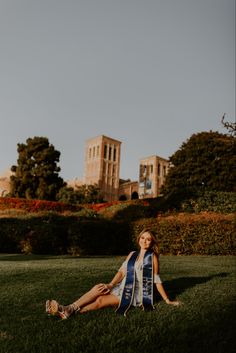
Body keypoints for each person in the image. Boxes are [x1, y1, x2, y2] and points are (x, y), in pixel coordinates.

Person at [46, 229, 180, 319]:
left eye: (148, 239)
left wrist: (167, 300)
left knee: (100, 301)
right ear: (139, 238)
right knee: (98, 288)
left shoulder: (152, 257)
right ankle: (69, 309)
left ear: (152, 242)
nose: (144, 241)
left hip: (136, 293)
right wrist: (110, 285)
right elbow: (122, 272)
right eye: (143, 237)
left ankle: (68, 310)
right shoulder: (132, 254)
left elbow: (156, 280)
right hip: (122, 286)